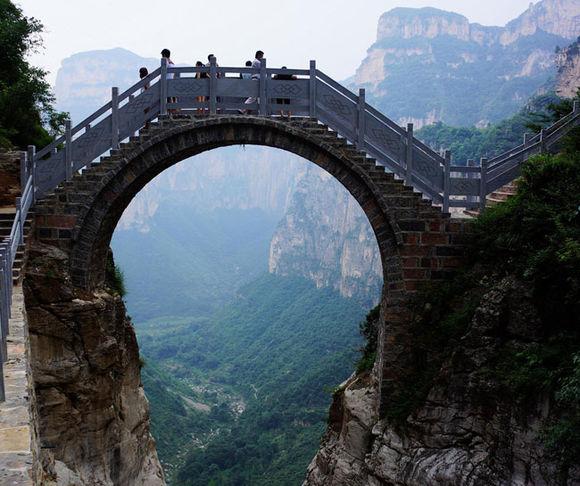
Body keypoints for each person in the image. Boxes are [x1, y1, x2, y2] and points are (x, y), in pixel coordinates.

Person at [161, 48, 178, 113]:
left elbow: (163, 71)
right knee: (170, 97)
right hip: (171, 81)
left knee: (167, 98)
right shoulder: (172, 63)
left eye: (162, 54)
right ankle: (172, 111)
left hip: (166, 81)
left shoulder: (166, 62)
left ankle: (169, 111)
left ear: (164, 55)